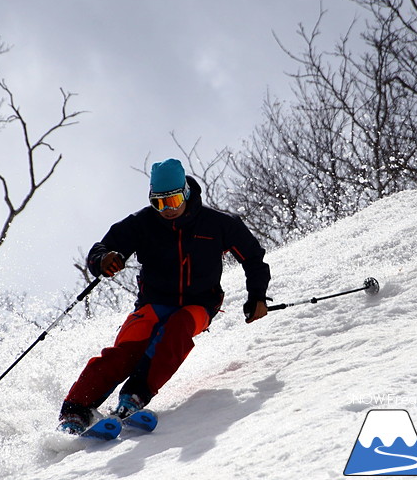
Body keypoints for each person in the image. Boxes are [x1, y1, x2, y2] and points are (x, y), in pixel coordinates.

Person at [58, 158, 271, 434]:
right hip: (153, 301)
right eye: (159, 203)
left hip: (199, 303)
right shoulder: (142, 224)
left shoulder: (217, 224)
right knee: (127, 351)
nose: (166, 210)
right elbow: (103, 248)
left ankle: (134, 396)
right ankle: (76, 411)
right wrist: (105, 260)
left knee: (178, 329)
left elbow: (253, 257)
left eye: (172, 201)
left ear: (186, 193)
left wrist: (258, 296)